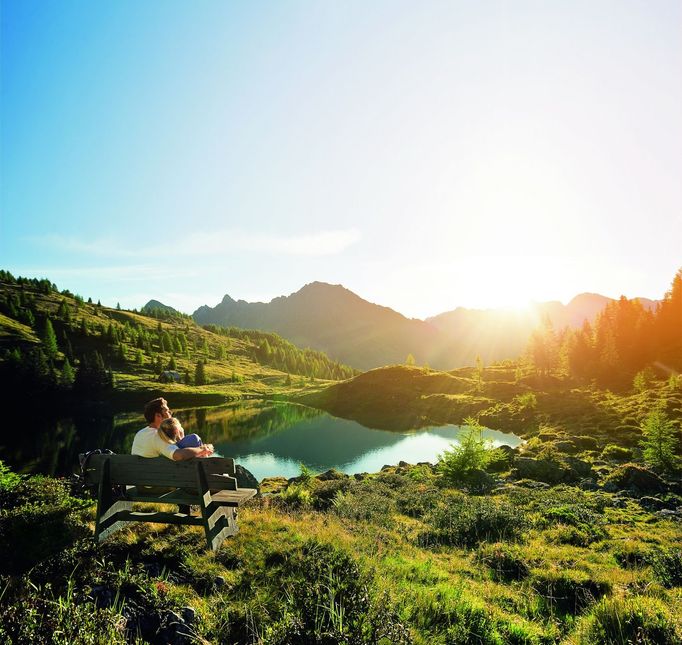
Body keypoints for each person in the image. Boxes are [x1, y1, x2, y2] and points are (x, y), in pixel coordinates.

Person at [131, 398, 213, 460]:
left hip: (141, 477)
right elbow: (179, 455)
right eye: (167, 411)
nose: (171, 413)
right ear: (158, 416)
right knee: (194, 439)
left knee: (190, 441)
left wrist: (179, 436)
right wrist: (202, 449)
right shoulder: (158, 436)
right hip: (159, 480)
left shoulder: (140, 433)